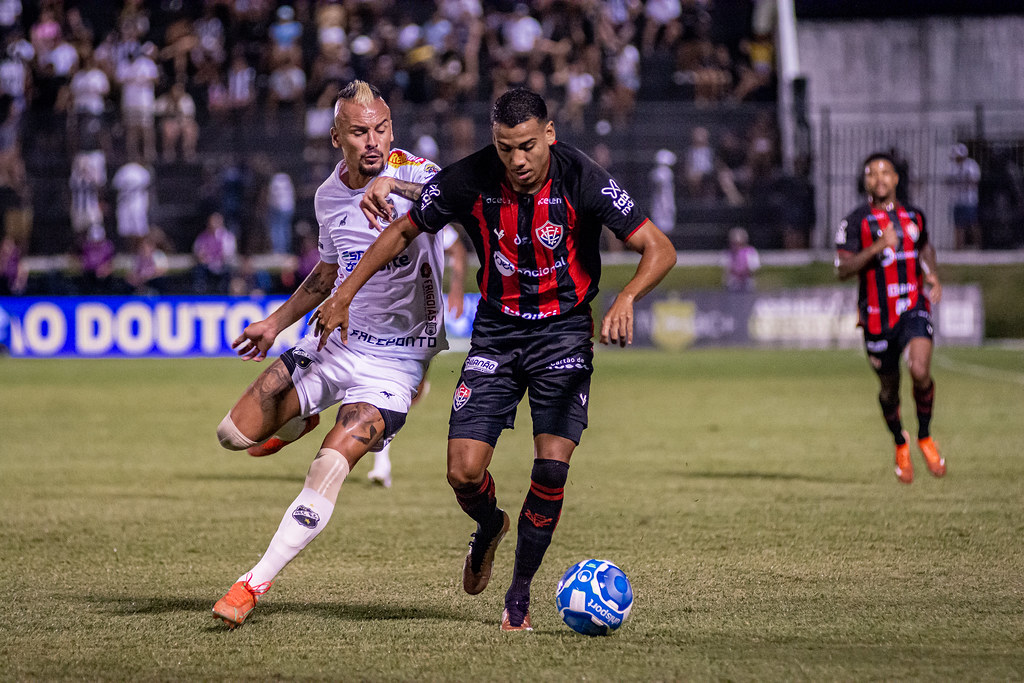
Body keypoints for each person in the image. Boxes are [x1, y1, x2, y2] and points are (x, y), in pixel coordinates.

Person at [313, 87, 677, 631]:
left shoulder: (584, 178)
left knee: (551, 465)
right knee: (463, 472)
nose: (518, 161)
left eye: (528, 146)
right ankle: (489, 527)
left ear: (549, 135)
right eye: (506, 148)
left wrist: (625, 297)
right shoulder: (474, 177)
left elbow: (660, 248)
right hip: (498, 335)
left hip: (563, 335)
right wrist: (341, 294)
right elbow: (402, 228)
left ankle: (520, 595)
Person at [210, 80, 452, 629]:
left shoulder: (417, 174)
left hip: (396, 365)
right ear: (335, 137)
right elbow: (326, 270)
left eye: (383, 128)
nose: (374, 141)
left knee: (330, 465)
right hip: (335, 343)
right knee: (231, 434)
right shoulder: (327, 196)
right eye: (360, 131)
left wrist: (397, 182)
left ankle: (252, 584)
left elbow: (458, 192)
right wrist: (275, 322)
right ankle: (300, 418)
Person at [835, 151, 945, 485]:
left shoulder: (914, 215)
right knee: (889, 391)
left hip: (913, 304)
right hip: (876, 316)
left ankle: (925, 436)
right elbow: (841, 268)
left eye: (886, 172)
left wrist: (932, 274)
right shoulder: (855, 221)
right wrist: (878, 246)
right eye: (872, 174)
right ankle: (901, 442)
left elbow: (924, 247)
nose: (879, 179)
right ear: (865, 181)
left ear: (896, 179)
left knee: (919, 370)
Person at [945, 143, 981, 249]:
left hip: (969, 200)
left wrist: (965, 180)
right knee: (958, 226)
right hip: (956, 200)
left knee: (973, 224)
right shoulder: (952, 166)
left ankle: (978, 246)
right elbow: (947, 180)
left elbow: (975, 180)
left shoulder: (971, 165)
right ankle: (959, 248)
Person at [722, 226, 759, 291]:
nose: (737, 246)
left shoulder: (751, 252)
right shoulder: (727, 253)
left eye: (739, 244)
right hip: (732, 284)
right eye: (734, 243)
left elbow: (754, 269)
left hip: (747, 284)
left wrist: (743, 273)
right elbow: (725, 269)